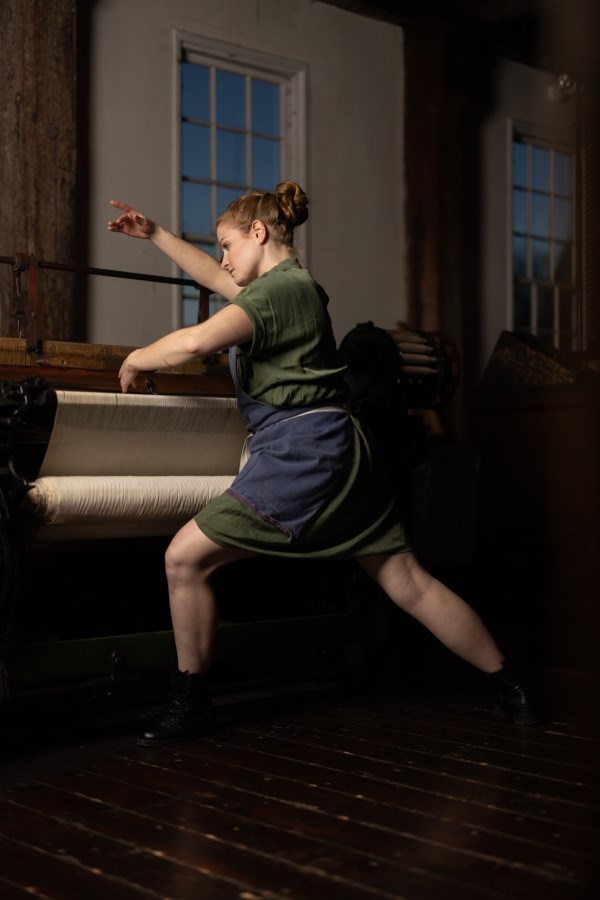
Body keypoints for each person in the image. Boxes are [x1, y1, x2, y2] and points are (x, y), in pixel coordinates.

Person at [107, 181, 542, 746]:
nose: (223, 259)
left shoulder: (279, 294)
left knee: (184, 559)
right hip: (342, 448)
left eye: (226, 246)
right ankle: (514, 684)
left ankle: (191, 703)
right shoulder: (288, 287)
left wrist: (136, 358)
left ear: (258, 234)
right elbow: (216, 281)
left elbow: (195, 344)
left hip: (303, 454)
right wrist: (157, 235)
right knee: (406, 581)